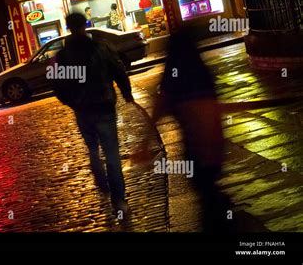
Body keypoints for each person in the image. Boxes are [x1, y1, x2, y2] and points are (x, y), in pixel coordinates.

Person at [52, 13, 134, 216]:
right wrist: (126, 92)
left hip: (83, 110)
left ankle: (101, 180)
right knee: (112, 154)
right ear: (85, 25)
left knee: (92, 149)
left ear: (68, 28)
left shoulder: (62, 56)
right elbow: (118, 70)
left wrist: (73, 103)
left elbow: (57, 86)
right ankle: (119, 200)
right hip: (104, 106)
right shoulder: (100, 47)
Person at [150, 28, 229, 232]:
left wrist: (144, 142)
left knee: (204, 192)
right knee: (209, 188)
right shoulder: (203, 72)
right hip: (214, 142)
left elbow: (159, 110)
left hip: (194, 146)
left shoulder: (173, 78)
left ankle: (217, 222)